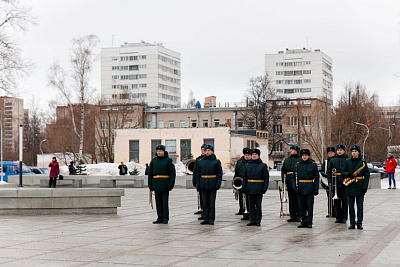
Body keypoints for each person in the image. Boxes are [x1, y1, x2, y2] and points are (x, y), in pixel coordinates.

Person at [342, 145, 370, 230]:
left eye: (355, 151)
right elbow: (343, 172)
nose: (354, 153)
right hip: (350, 186)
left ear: (358, 152)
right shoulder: (348, 161)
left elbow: (367, 175)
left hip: (359, 186)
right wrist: (348, 174)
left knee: (360, 206)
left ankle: (359, 223)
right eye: (352, 151)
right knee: (351, 206)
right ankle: (352, 223)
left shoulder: (362, 162)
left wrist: (364, 187)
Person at [148, 145, 176, 224]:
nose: (159, 153)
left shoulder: (168, 160)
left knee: (164, 202)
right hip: (156, 184)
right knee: (158, 202)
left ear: (164, 151)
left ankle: (165, 217)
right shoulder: (153, 161)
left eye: (160, 151)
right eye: (158, 151)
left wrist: (171, 184)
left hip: (165, 184)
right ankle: (159, 217)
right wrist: (150, 184)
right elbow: (150, 173)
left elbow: (172, 173)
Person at [196, 144, 222, 225]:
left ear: (212, 151)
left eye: (208, 151)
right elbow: (198, 174)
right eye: (206, 150)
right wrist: (198, 184)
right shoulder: (201, 161)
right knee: (205, 202)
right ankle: (206, 218)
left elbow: (219, 174)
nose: (207, 152)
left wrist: (218, 184)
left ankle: (211, 218)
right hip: (203, 183)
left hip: (212, 183)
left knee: (211, 202)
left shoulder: (216, 162)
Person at [293, 149, 319, 228]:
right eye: (303, 155)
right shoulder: (298, 164)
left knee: (309, 206)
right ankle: (303, 221)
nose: (304, 157)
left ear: (308, 156)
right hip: (301, 187)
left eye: (306, 155)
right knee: (302, 206)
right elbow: (294, 177)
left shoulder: (313, 164)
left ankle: (309, 221)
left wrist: (316, 188)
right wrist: (295, 187)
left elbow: (317, 177)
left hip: (309, 186)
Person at [242, 148, 269, 226]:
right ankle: (252, 219)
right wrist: (244, 187)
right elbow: (245, 177)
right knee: (250, 205)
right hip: (249, 187)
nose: (254, 156)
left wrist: (264, 188)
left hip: (258, 187)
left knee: (258, 205)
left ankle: (258, 220)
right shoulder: (247, 166)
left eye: (255, 154)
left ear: (258, 155)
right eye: (253, 154)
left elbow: (266, 177)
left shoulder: (263, 166)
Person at [327, 144, 349, 224]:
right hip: (336, 183)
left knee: (345, 201)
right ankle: (338, 216)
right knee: (337, 201)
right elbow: (329, 172)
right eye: (338, 150)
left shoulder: (347, 159)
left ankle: (344, 217)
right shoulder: (332, 160)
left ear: (344, 151)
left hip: (345, 183)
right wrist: (330, 181)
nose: (339, 151)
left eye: (341, 150)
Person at [281, 144, 301, 222]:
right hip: (289, 181)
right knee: (291, 199)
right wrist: (283, 178)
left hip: (297, 181)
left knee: (298, 199)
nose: (291, 151)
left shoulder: (299, 159)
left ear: (296, 151)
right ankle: (292, 215)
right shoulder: (287, 160)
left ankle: (299, 215)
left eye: (292, 149)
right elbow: (283, 170)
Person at [233, 148, 251, 220]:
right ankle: (242, 210)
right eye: (246, 155)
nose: (247, 156)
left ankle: (249, 212)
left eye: (248, 155)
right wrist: (235, 183)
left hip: (249, 182)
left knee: (249, 198)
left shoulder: (251, 162)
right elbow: (236, 173)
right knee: (241, 197)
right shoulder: (239, 162)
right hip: (241, 181)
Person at [320, 147, 336, 217]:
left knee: (336, 199)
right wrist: (325, 174)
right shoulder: (326, 162)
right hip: (328, 181)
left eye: (332, 153)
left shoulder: (336, 160)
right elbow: (322, 170)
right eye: (329, 153)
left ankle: (336, 211)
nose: (330, 154)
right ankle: (330, 211)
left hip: (335, 181)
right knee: (329, 197)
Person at [193, 144, 206, 219]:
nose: (203, 151)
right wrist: (194, 181)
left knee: (205, 198)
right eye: (202, 150)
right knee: (200, 197)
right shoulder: (198, 159)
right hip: (200, 181)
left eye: (204, 150)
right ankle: (201, 210)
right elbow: (195, 171)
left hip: (205, 181)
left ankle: (206, 213)